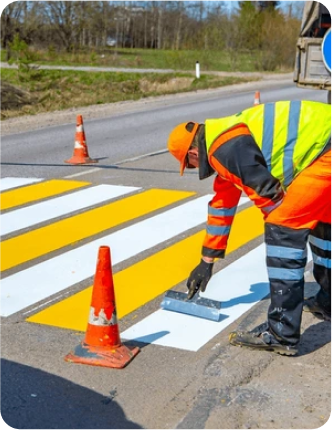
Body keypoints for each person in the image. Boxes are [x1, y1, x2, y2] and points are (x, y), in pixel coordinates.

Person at [167, 100, 332, 356]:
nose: (193, 169)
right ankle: (329, 301)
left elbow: (267, 191)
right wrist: (206, 261)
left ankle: (281, 333)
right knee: (324, 221)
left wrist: (279, 229)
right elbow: (222, 206)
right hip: (325, 143)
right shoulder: (223, 140)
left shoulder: (223, 147)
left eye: (188, 165)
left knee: (283, 227)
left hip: (326, 146)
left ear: (192, 153)